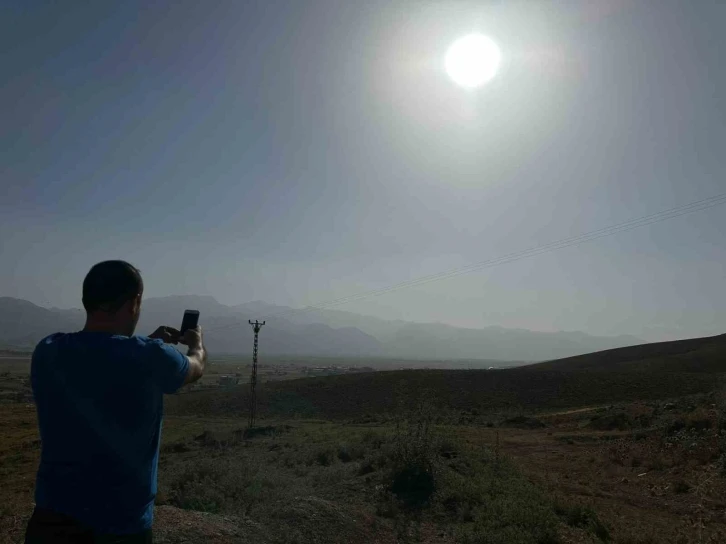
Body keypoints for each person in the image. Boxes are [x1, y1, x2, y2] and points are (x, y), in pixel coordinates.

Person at [25, 260, 207, 543]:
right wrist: (196, 344)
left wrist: (146, 343)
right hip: (121, 525)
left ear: (86, 300)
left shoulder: (48, 351)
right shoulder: (149, 356)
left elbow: (100, 358)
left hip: (52, 520)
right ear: (135, 302)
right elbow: (194, 368)